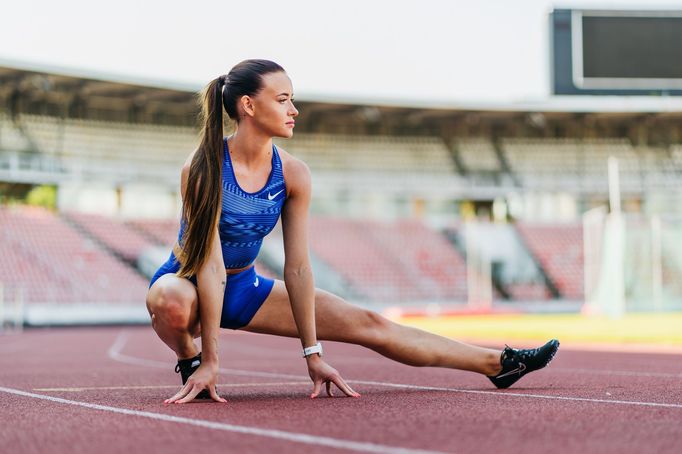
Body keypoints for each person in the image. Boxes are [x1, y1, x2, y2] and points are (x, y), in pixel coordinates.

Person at [145, 59, 559, 404]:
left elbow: (300, 269)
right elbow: (211, 266)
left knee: (370, 323)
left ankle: (497, 364)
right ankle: (189, 358)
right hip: (191, 281)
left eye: (293, 100)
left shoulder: (293, 173)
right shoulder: (202, 168)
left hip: (244, 286)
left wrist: (313, 353)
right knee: (172, 299)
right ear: (248, 106)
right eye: (284, 99)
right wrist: (212, 360)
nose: (295, 110)